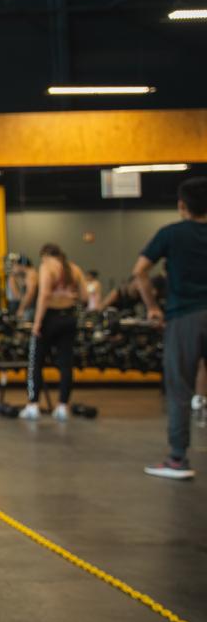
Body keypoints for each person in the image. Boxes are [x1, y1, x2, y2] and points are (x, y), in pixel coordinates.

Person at [136, 177, 207, 480]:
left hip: (184, 317)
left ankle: (178, 459)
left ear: (182, 206)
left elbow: (139, 272)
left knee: (179, 388)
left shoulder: (171, 234)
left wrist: (153, 307)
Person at [21, 243, 87, 421]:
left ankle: (33, 405)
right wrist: (68, 297)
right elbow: (85, 297)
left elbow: (44, 296)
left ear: (45, 256)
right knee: (66, 364)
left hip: (49, 318)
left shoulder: (46, 267)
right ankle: (62, 406)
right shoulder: (75, 269)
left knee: (36, 362)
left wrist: (37, 323)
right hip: (69, 318)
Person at [8, 255, 38, 320]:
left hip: (31, 309)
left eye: (15, 265)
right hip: (30, 308)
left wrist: (21, 309)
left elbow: (30, 294)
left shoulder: (31, 274)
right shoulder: (29, 274)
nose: (13, 267)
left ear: (22, 265)